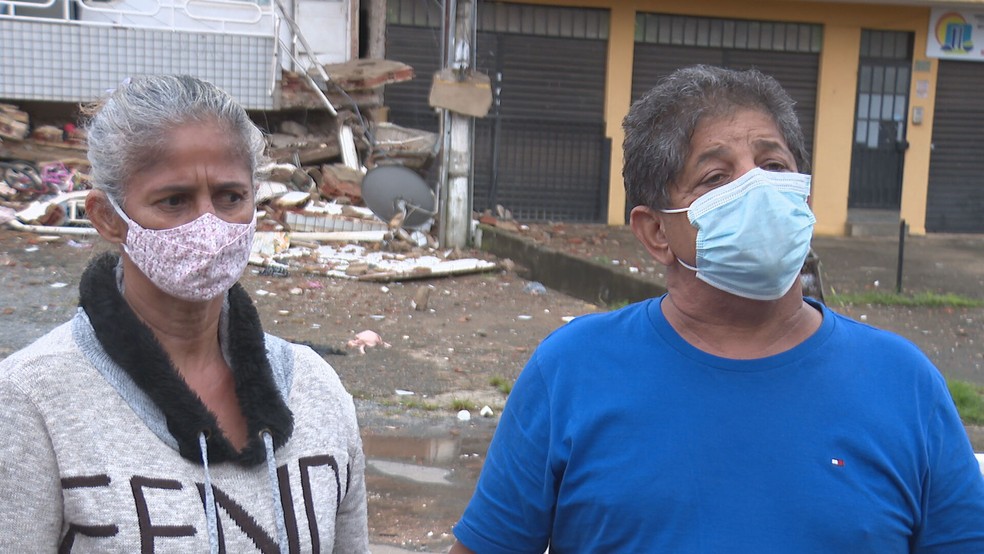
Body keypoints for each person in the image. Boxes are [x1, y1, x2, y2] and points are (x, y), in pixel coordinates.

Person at [449, 65, 984, 553]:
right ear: (656, 231)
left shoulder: (904, 383)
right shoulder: (571, 371)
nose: (758, 186)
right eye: (716, 177)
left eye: (774, 165)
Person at [0, 75, 370, 552]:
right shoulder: (30, 403)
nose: (207, 226)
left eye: (230, 197)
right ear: (107, 217)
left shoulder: (316, 393)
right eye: (174, 200)